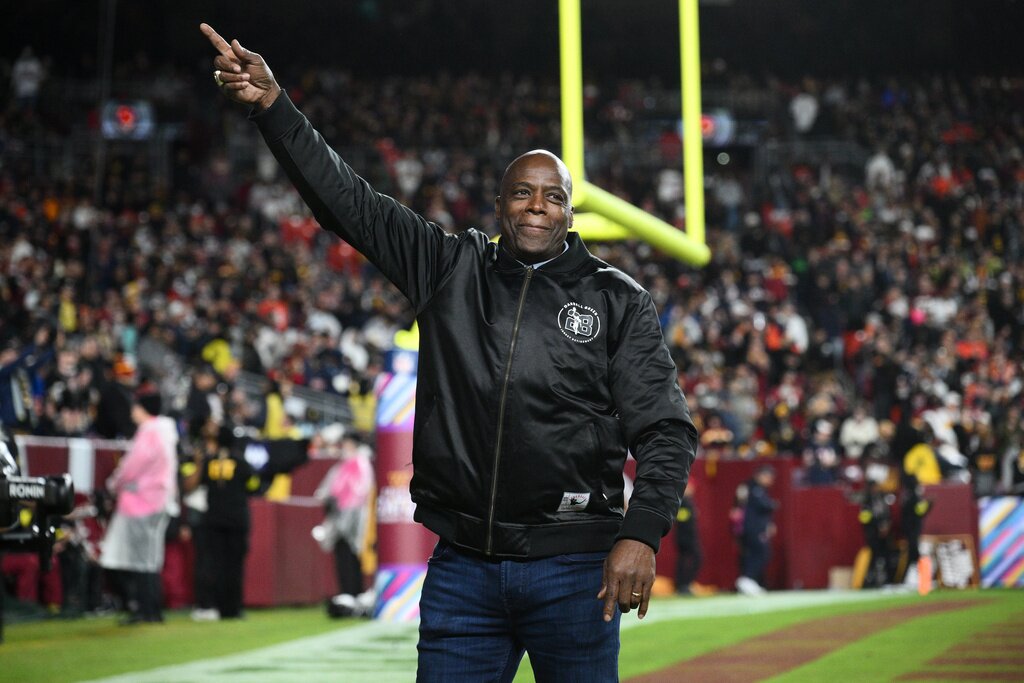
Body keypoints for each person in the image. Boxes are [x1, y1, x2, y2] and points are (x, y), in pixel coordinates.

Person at [201, 24, 698, 681]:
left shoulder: (617, 299)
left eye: (554, 196)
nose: (537, 207)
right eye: (522, 192)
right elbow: (350, 202)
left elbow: (665, 428)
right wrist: (272, 107)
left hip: (574, 565)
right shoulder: (448, 266)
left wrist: (641, 531)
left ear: (571, 213)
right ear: (498, 204)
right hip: (465, 563)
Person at [99, 383, 178, 624]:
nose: (132, 410)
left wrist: (113, 483)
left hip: (142, 502)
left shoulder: (149, 432)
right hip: (161, 500)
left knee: (139, 560)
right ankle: (153, 609)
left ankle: (144, 610)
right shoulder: (166, 432)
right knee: (152, 559)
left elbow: (132, 466)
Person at [736, 465, 777, 595]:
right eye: (768, 476)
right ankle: (747, 579)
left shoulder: (758, 489)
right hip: (752, 528)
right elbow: (764, 505)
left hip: (756, 527)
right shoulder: (752, 488)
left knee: (761, 553)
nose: (770, 480)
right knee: (759, 553)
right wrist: (772, 504)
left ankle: (750, 580)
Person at [673, 481, 702, 595]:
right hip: (685, 537)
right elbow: (680, 518)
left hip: (687, 536)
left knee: (683, 561)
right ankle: (683, 584)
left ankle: (683, 585)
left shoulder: (686, 501)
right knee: (696, 558)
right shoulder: (682, 502)